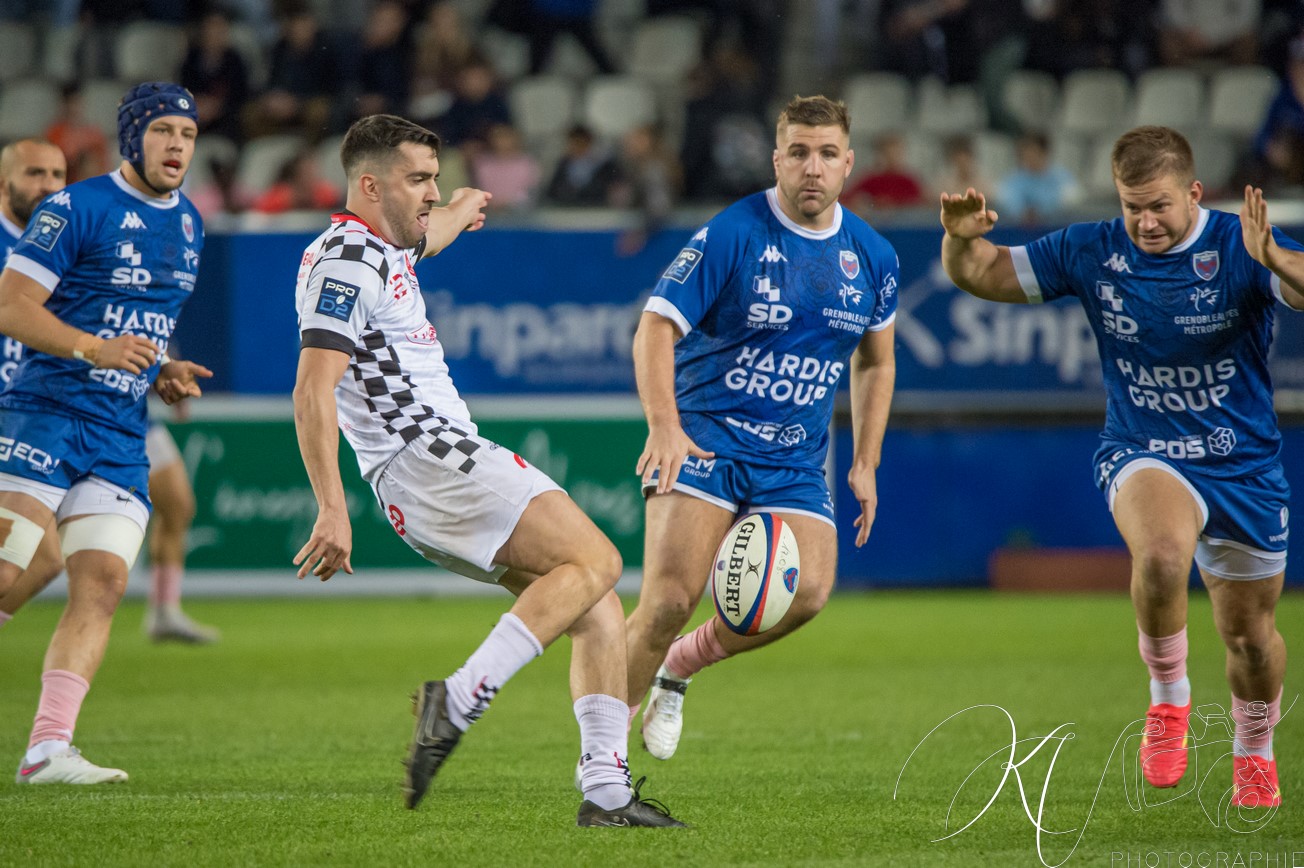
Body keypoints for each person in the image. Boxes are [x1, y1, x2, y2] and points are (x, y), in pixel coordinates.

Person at [291, 113, 685, 826]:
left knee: (595, 605)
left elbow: (423, 240)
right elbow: (312, 388)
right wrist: (330, 505)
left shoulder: (383, 246)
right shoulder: (345, 261)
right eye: (419, 181)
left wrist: (463, 208)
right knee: (597, 558)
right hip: (431, 455)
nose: (431, 195)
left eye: (435, 181)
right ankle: (459, 696)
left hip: (421, 476)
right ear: (371, 186)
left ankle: (605, 792)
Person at [939, 125, 1298, 808]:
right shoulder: (1093, 249)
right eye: (1132, 206)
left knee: (1250, 640)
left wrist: (1276, 259)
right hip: (1143, 449)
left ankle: (1255, 750)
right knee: (1162, 556)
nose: (1145, 221)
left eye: (1159, 205)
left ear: (1194, 193)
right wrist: (960, 239)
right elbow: (982, 274)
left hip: (1244, 466)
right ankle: (1169, 704)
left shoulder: (1238, 246)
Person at [625, 95, 898, 761]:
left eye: (827, 154)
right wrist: (664, 426)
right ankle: (600, 762)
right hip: (707, 440)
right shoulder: (734, 233)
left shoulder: (874, 256)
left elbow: (877, 361)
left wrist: (865, 461)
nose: (813, 167)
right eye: (799, 153)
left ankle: (681, 668)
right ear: (777, 159)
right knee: (665, 604)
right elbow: (654, 327)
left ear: (848, 164)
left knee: (806, 595)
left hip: (794, 460)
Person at [0, 82, 212, 784]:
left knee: (104, 581)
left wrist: (163, 371)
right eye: (163, 131)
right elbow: (12, 308)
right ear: (133, 138)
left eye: (187, 132)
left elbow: (139, 332)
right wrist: (94, 349)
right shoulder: (74, 207)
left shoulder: (189, 223)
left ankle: (46, 750)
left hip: (121, 432)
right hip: (46, 411)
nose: (177, 144)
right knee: (9, 569)